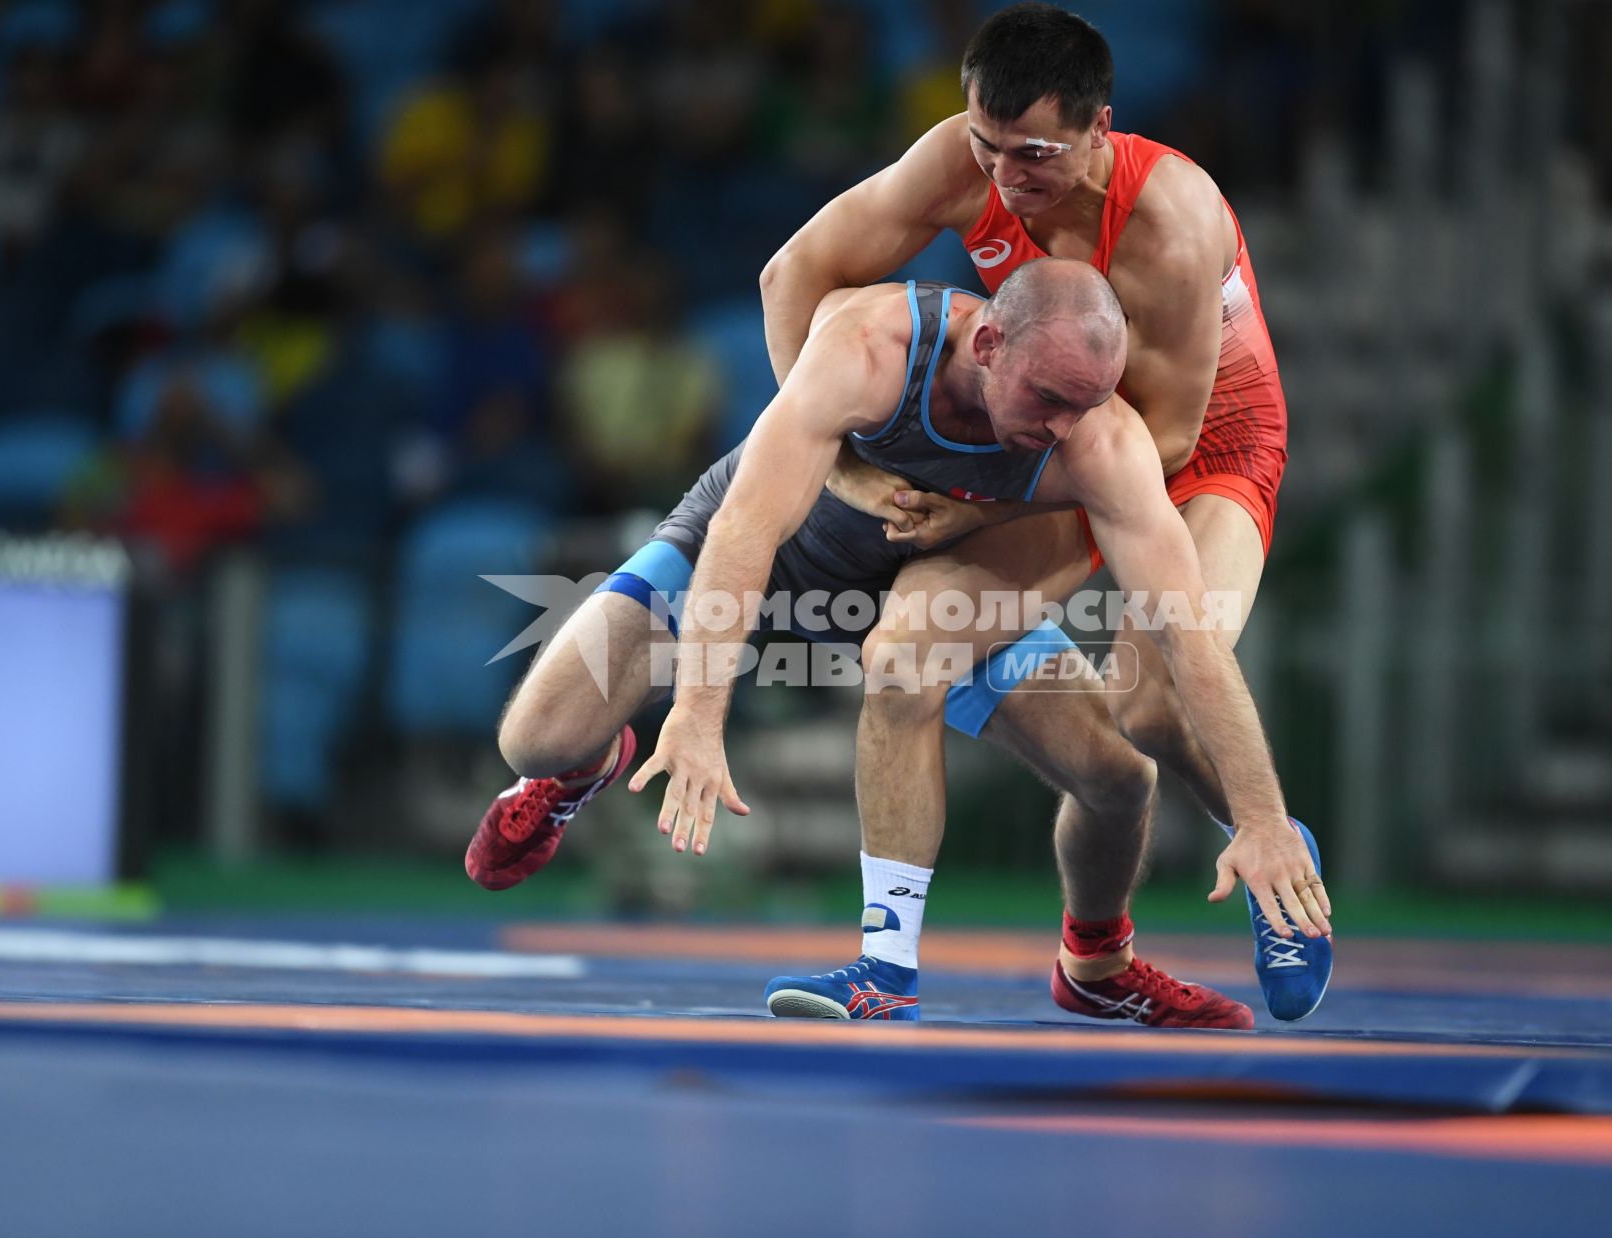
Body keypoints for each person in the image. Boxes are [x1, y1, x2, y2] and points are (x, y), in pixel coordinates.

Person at [473, 261, 1317, 1028]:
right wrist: (694, 714)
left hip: (916, 580)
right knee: (535, 739)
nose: (1062, 429)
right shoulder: (871, 345)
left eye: (1085, 404)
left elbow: (1192, 642)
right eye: (1048, 398)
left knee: (1119, 782)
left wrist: (1262, 819)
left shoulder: (1103, 442)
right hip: (764, 552)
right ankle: (584, 768)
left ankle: (1082, 963)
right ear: (987, 343)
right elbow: (748, 529)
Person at [755, 2, 1332, 1021]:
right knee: (904, 653)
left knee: (1153, 694)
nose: (1007, 178)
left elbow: (1155, 444)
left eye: (1035, 155)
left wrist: (966, 509)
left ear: (1101, 128)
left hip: (1198, 449)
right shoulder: (964, 160)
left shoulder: (1172, 222)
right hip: (1058, 442)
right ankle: (889, 973)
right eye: (988, 146)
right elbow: (792, 272)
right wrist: (842, 460)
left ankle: (1274, 846)